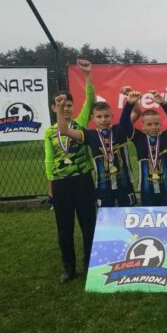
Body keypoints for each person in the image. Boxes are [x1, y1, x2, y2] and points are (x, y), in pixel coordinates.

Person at [43, 59, 96, 283]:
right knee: (64, 228)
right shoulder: (49, 132)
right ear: (53, 108)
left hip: (83, 181)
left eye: (69, 104)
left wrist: (87, 75)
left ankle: (90, 264)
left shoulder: (80, 122)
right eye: (60, 104)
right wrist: (51, 187)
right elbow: (49, 160)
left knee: (88, 224)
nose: (66, 108)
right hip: (61, 184)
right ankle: (69, 267)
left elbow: (90, 100)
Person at [56, 95, 140, 207]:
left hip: (124, 184)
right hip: (103, 186)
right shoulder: (90, 135)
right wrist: (59, 108)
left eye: (106, 116)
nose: (103, 119)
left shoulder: (120, 129)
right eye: (99, 117)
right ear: (93, 118)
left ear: (112, 116)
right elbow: (64, 130)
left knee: (127, 214)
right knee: (106, 216)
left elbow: (137, 113)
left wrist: (134, 101)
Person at [120, 90, 167, 206]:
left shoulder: (166, 137)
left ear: (160, 124)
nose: (153, 127)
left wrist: (164, 104)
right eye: (149, 124)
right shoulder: (138, 138)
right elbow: (124, 123)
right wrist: (129, 104)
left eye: (156, 124)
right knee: (148, 217)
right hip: (147, 191)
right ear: (142, 126)